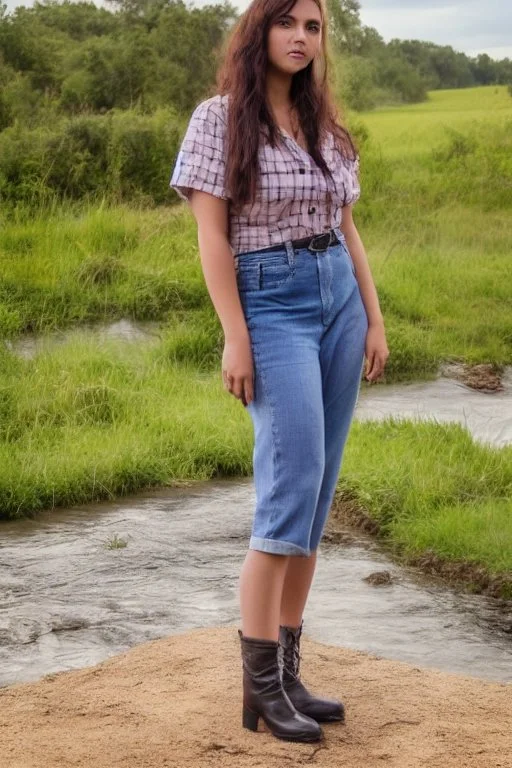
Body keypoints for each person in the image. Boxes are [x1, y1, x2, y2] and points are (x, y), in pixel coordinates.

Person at [170, 0, 389, 744]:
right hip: (272, 305)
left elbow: (347, 227)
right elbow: (211, 236)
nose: (301, 37)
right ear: (259, 30)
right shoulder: (219, 118)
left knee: (318, 498)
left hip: (337, 301)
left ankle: (288, 673)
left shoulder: (323, 124)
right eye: (287, 22)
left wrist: (374, 315)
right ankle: (259, 688)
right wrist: (235, 335)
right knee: (287, 491)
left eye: (314, 27)